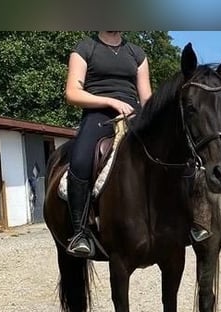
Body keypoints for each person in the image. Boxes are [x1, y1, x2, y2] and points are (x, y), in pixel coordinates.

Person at [63, 31, 152, 257]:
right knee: (81, 159)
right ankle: (80, 232)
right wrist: (111, 101)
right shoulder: (84, 49)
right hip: (98, 114)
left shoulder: (137, 54)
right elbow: (72, 93)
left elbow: (147, 99)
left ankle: (188, 221)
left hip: (134, 115)